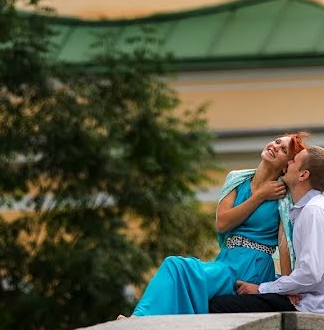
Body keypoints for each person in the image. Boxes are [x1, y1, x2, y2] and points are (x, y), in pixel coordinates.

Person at [127, 132, 309, 317]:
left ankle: (138, 319)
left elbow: (284, 241)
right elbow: (223, 223)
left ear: (287, 165)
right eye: (277, 142)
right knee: (180, 276)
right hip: (226, 259)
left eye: (283, 149)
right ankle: (144, 322)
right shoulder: (237, 180)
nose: (275, 146)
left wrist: (287, 286)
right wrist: (260, 196)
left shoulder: (283, 196)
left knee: (175, 265)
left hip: (253, 266)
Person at [208, 145, 324, 317]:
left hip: (311, 306)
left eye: (294, 161)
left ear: (303, 175)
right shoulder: (307, 210)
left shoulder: (314, 211)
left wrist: (261, 288)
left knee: (217, 305)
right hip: (308, 301)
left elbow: (309, 274)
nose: (288, 162)